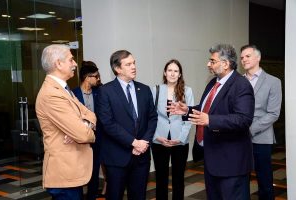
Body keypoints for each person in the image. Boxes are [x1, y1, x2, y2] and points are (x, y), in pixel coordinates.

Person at [168, 44, 255, 200]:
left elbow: (243, 119)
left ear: (226, 64)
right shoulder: (213, 83)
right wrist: (187, 110)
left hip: (231, 163)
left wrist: (210, 120)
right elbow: (206, 110)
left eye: (212, 61)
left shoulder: (241, 85)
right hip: (212, 159)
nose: (208, 64)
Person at [35, 44, 96, 200]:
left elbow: (90, 115)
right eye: (71, 59)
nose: (75, 64)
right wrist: (81, 130)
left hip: (71, 172)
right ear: (58, 63)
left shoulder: (62, 89)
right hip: (64, 175)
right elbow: (82, 135)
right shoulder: (52, 94)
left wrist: (83, 125)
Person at [96, 50, 158, 200]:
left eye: (134, 63)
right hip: (117, 157)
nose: (134, 67)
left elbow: (152, 118)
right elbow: (107, 123)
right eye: (128, 64)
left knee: (138, 196)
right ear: (117, 69)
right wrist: (134, 142)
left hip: (141, 157)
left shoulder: (144, 89)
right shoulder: (106, 91)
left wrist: (143, 143)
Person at [240, 44, 282, 200]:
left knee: (264, 181)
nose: (244, 59)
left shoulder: (273, 81)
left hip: (261, 138)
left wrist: (248, 129)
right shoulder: (237, 81)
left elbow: (273, 113)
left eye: (248, 56)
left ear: (258, 57)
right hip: (238, 138)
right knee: (240, 178)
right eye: (242, 57)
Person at [151, 59, 194, 200]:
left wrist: (180, 139)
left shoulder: (187, 91)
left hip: (179, 141)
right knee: (161, 179)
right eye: (170, 70)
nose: (172, 74)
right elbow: (150, 117)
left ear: (180, 74)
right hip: (159, 141)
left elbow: (189, 117)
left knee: (178, 179)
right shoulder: (156, 90)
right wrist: (156, 137)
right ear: (165, 72)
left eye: (176, 71)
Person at [72, 61, 107, 200]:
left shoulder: (100, 92)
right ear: (87, 78)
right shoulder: (73, 94)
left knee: (93, 171)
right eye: (95, 76)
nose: (98, 79)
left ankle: (91, 196)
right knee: (79, 172)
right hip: (79, 141)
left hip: (97, 139)